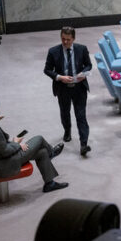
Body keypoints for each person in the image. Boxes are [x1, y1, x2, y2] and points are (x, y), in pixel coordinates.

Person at [0, 95, 67, 192]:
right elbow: (4, 151)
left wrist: (13, 143)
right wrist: (16, 143)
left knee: (42, 152)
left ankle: (50, 184)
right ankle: (52, 153)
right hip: (5, 161)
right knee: (39, 139)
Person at [43, 27, 91, 155]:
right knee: (65, 113)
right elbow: (47, 69)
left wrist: (83, 73)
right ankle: (67, 131)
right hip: (63, 88)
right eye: (63, 39)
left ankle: (84, 144)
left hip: (79, 87)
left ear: (73, 39)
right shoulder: (53, 51)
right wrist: (59, 77)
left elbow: (88, 65)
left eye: (68, 40)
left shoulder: (82, 49)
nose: (65, 42)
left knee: (81, 115)